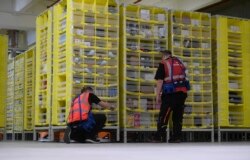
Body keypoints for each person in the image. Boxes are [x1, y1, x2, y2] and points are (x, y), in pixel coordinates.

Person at [154, 50, 189, 143]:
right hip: (182, 93)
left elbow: (160, 81)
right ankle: (176, 137)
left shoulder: (164, 63)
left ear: (165, 56)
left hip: (170, 93)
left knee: (164, 115)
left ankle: (159, 137)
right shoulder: (180, 62)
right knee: (178, 116)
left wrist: (157, 95)